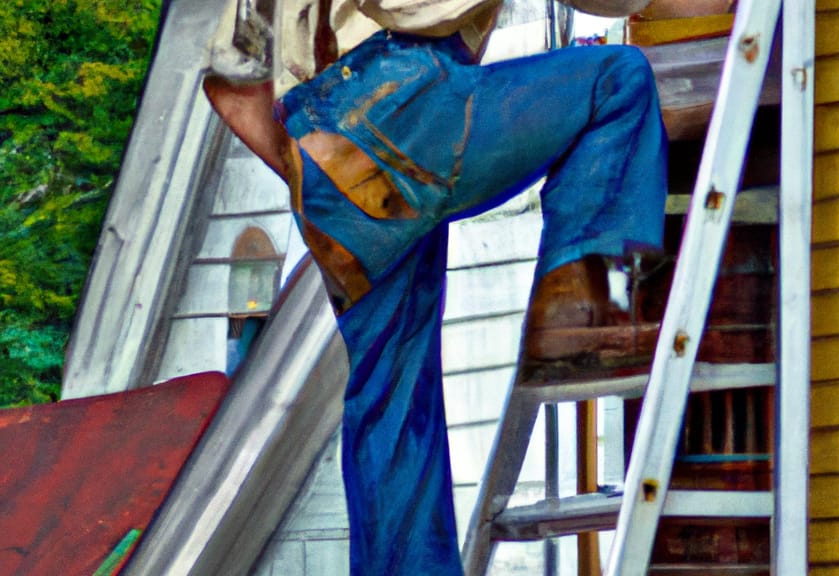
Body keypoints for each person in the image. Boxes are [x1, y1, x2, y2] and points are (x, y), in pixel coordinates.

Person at [204, 0, 667, 573]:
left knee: (390, 402)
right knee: (618, 82)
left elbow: (230, 86)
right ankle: (582, 310)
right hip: (401, 96)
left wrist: (324, 174)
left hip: (322, 156)